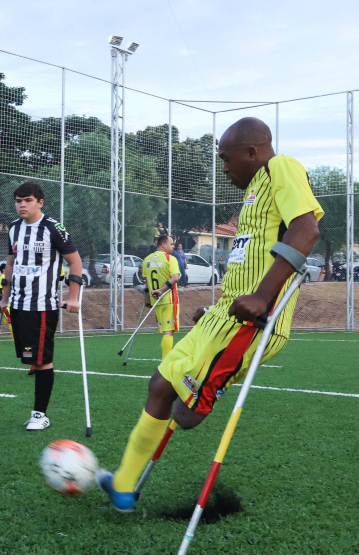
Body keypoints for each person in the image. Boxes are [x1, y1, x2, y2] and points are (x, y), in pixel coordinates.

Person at [97, 117, 323, 512]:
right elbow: (250, 258)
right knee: (159, 384)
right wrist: (218, 305)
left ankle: (205, 393)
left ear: (252, 152)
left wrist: (261, 296)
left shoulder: (281, 167)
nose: (224, 168)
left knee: (185, 413)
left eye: (226, 158)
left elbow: (306, 231)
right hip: (224, 315)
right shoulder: (254, 191)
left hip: (252, 323)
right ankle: (124, 485)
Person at [0, 182, 83, 431]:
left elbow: (75, 262)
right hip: (18, 304)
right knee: (29, 358)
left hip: (42, 305)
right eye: (18, 201)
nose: (22, 205)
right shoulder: (13, 228)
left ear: (40, 202)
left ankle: (40, 414)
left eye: (28, 200)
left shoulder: (53, 228)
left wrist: (73, 297)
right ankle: (38, 413)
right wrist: (4, 298)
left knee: (42, 360)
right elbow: (10, 264)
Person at [142, 235, 181, 360]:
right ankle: (165, 362)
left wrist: (147, 299)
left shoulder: (147, 259)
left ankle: (165, 360)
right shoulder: (170, 259)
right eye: (171, 244)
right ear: (163, 245)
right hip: (169, 299)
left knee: (165, 330)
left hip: (156, 301)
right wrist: (161, 290)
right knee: (169, 331)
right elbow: (175, 278)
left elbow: (147, 282)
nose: (173, 246)